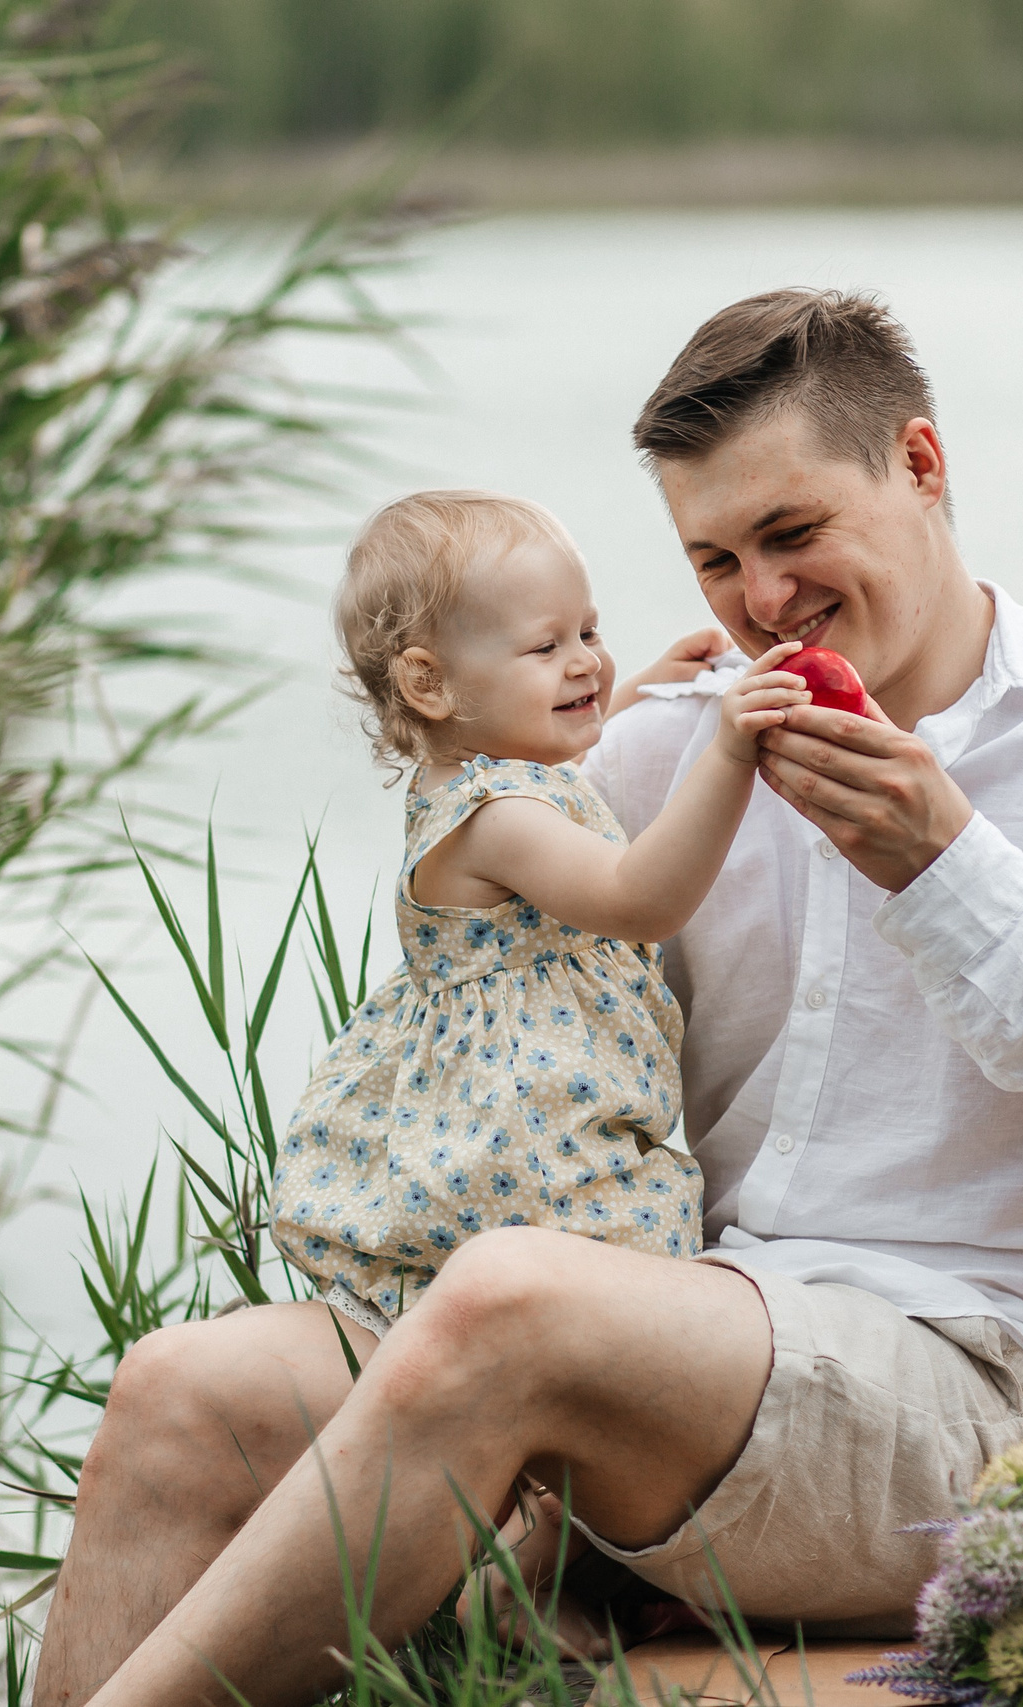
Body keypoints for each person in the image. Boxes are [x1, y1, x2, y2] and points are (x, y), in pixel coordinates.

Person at [29, 288, 1023, 1707]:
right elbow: (481, 842)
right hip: (668, 1366)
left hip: (989, 1403)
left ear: (920, 465)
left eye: (792, 533)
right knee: (179, 1388)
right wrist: (615, 722)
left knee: (511, 1297)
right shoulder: (670, 755)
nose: (761, 601)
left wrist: (946, 868)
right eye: (714, 559)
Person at [271, 488, 807, 1337]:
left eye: (589, 632)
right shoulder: (496, 820)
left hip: (509, 1114)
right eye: (546, 646)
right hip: (533, 1142)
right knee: (628, 1269)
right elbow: (639, 897)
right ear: (429, 682)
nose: (585, 661)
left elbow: (542, 761)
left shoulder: (482, 773)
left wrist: (633, 692)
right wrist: (728, 751)